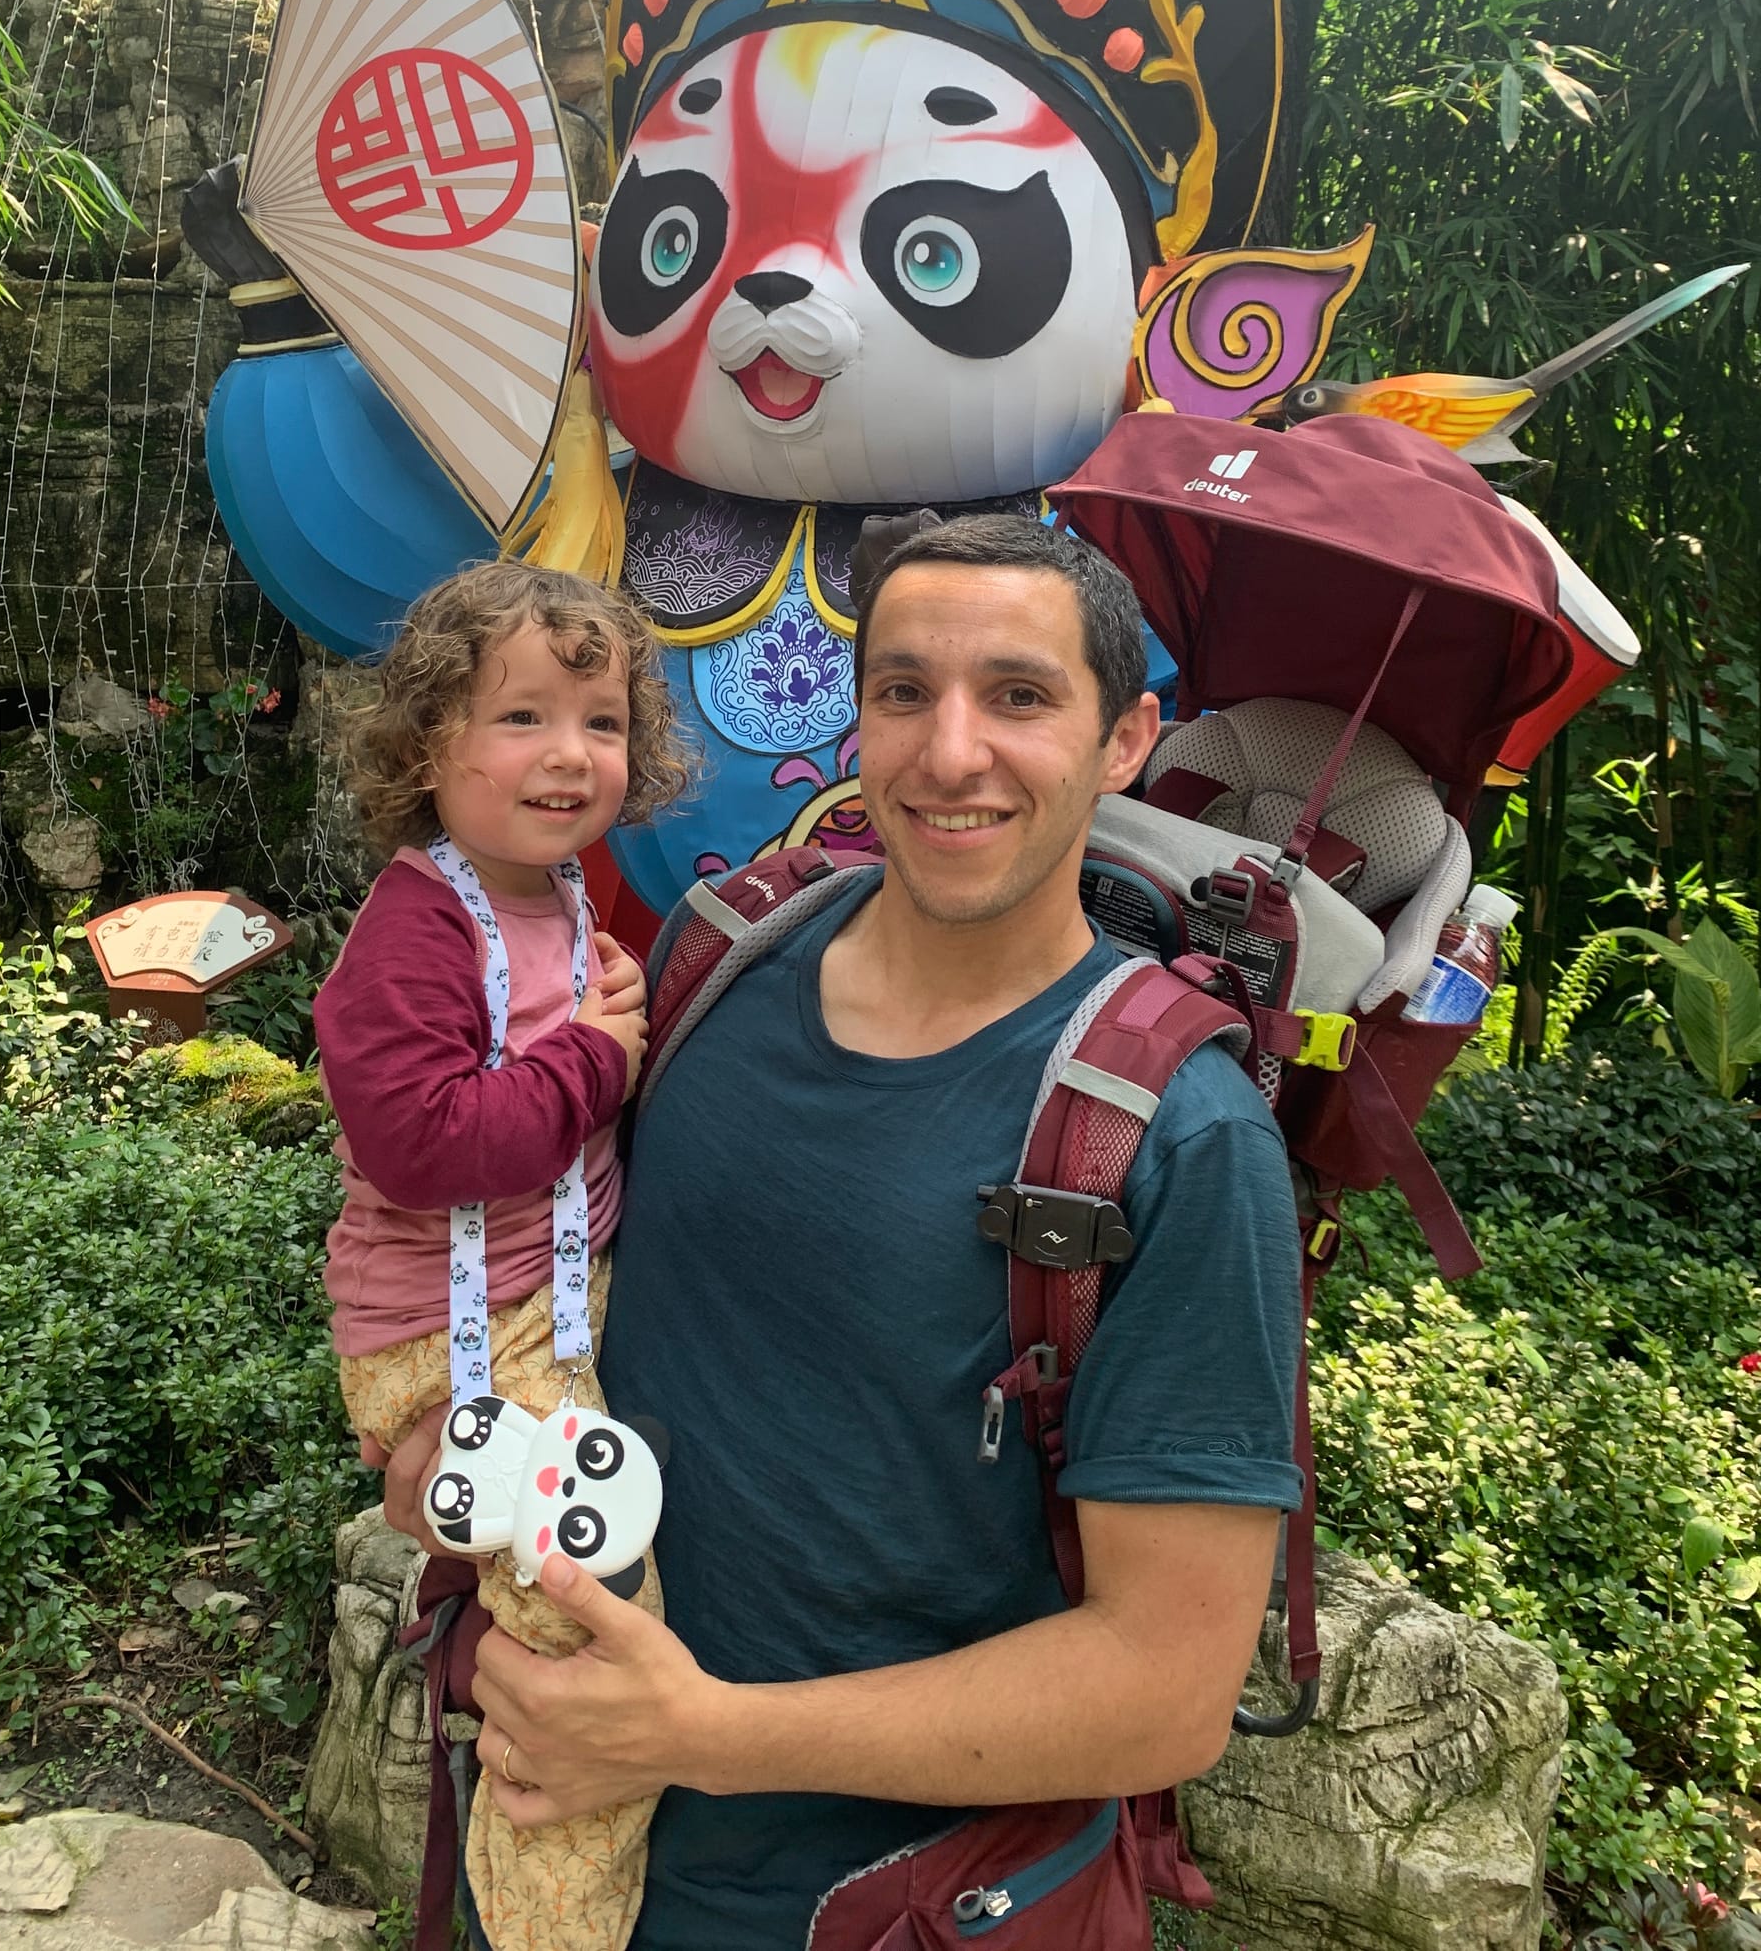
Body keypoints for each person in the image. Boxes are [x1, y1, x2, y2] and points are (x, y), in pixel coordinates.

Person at [381, 516, 1305, 1951]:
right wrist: (436, 1440)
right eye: (905, 692)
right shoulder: (714, 962)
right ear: (856, 717)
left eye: (1019, 695)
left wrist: (698, 1736)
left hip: (884, 1908)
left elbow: (1166, 1690)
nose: (950, 752)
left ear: (1125, 740)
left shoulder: (1174, 1142)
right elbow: (534, 1263)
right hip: (556, 1848)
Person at [316, 560, 687, 1951]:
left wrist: (611, 1029)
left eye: (602, 722)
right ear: (428, 747)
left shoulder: (554, 893)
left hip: (549, 1303)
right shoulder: (412, 929)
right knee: (586, 1623)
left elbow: (571, 1064)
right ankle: (552, 1909)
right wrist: (598, 1060)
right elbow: (426, 1146)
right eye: (522, 716)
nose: (570, 754)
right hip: (460, 1331)